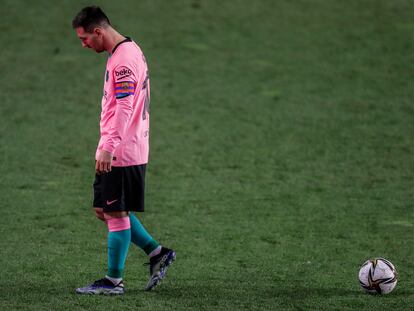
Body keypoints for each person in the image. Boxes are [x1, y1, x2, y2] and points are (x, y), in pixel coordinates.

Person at [72, 6, 175, 295]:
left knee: (115, 212)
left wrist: (109, 147)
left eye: (84, 39)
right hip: (113, 146)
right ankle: (157, 253)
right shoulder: (122, 51)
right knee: (103, 209)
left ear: (98, 31)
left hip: (122, 151)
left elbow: (125, 106)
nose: (83, 45)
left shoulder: (124, 60)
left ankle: (113, 281)